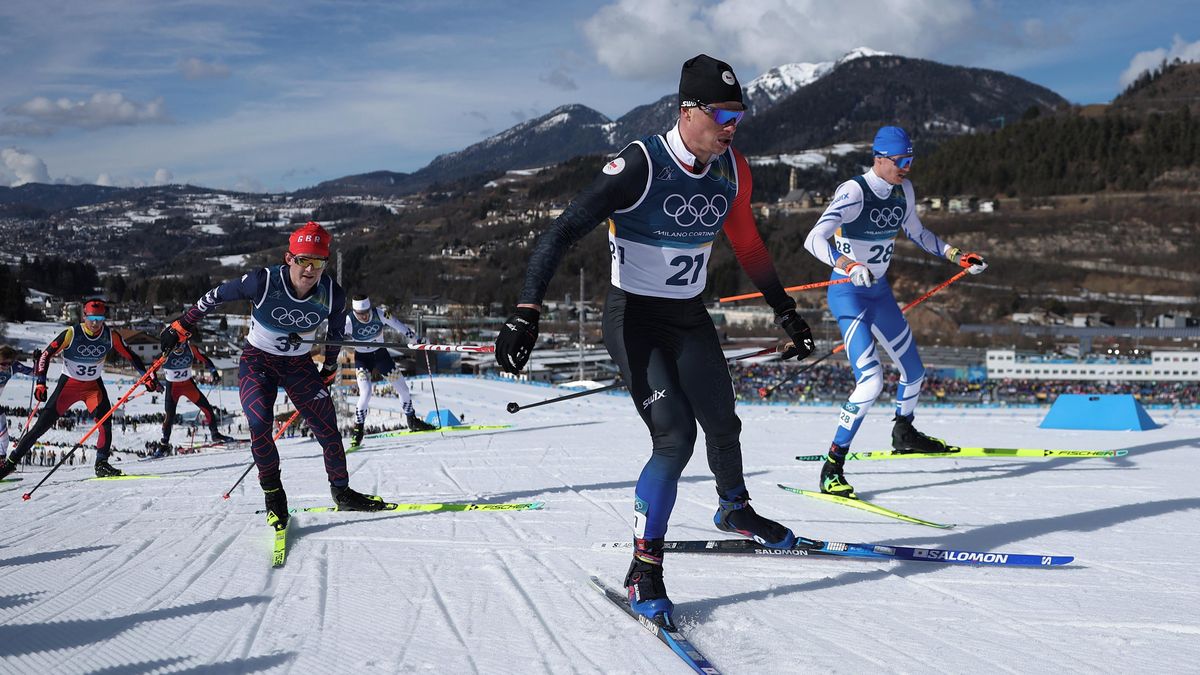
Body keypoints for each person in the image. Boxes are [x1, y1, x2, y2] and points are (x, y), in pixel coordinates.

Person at [494, 54, 815, 625]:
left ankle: (734, 509)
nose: (731, 126)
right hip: (633, 319)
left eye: (738, 115)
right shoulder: (641, 163)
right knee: (675, 438)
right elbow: (564, 229)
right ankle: (644, 570)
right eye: (721, 114)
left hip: (688, 316)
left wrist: (786, 312)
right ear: (687, 110)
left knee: (723, 419)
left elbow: (748, 246)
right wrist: (526, 311)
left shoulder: (733, 171)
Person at [159, 221, 386, 530]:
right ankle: (274, 497)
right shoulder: (263, 282)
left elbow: (334, 334)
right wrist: (183, 324)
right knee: (259, 426)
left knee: (329, 431)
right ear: (289, 258)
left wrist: (330, 367)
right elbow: (216, 295)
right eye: (303, 260)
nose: (309, 269)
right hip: (258, 363)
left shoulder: (332, 294)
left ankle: (342, 491)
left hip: (298, 366)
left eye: (317, 262)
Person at [802, 125, 988, 499]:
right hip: (849, 294)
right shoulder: (854, 191)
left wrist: (957, 256)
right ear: (880, 158)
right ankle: (832, 466)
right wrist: (848, 264)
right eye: (901, 160)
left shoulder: (904, 190)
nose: (907, 167)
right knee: (871, 382)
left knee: (914, 372)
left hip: (881, 294)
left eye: (911, 160)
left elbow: (917, 233)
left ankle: (904, 432)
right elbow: (813, 239)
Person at [0, 300, 160, 479]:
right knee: (40, 427)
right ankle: (10, 464)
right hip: (68, 386)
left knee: (105, 425)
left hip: (93, 387)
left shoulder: (110, 335)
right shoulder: (71, 333)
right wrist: (41, 382)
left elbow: (132, 356)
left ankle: (101, 464)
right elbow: (46, 354)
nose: (95, 323)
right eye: (91, 318)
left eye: (99, 319)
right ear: (85, 316)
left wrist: (148, 377)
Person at [344, 294, 436, 446]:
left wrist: (415, 339)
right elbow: (331, 332)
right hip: (362, 359)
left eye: (367, 311)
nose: (365, 316)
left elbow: (399, 326)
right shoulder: (348, 321)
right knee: (366, 393)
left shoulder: (379, 314)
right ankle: (358, 430)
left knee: (404, 390)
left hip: (381, 356)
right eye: (360, 314)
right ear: (354, 312)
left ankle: (412, 420)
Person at [156, 341, 234, 455]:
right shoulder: (165, 354)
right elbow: (152, 369)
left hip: (189, 385)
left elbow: (205, 360)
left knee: (207, 408)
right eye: (176, 347)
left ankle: (215, 434)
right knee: (169, 416)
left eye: (181, 344)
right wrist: (154, 382)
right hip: (173, 388)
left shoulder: (191, 348)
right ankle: (164, 444)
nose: (179, 349)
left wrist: (214, 372)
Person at [0, 346, 35, 455]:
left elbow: (34, 373)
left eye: (9, 364)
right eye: (3, 364)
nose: (6, 367)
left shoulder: (13, 367)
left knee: (4, 435)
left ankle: (1, 460)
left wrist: (38, 362)